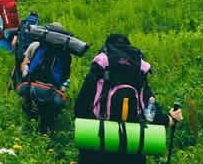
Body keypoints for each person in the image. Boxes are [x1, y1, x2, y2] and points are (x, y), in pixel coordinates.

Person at [74, 34, 184, 164]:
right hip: (131, 142)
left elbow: (80, 107)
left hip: (99, 141)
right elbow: (149, 109)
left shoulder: (101, 65)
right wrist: (169, 119)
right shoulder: (138, 68)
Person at [17, 22, 74, 134]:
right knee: (50, 114)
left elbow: (24, 65)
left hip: (30, 86)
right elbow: (65, 77)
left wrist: (26, 77)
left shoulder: (36, 45)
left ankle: (28, 126)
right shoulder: (66, 54)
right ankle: (47, 132)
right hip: (52, 91)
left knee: (27, 104)